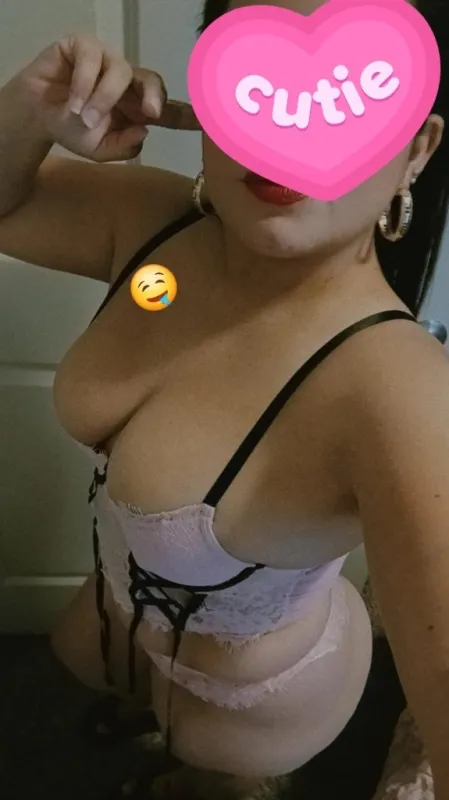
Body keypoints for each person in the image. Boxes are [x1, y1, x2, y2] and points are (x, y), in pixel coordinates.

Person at [1, 1, 449, 798]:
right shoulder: (152, 231)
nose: (292, 133)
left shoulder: (397, 390)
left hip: (257, 700)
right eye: (258, 84)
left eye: (347, 94)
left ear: (415, 148)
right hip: (114, 619)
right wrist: (30, 110)